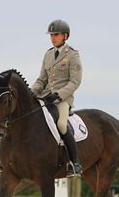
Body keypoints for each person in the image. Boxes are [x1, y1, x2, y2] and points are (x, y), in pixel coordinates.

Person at [30, 19, 83, 177]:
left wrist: (59, 95)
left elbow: (75, 81)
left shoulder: (72, 54)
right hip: (45, 96)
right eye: (51, 35)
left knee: (61, 124)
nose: (53, 38)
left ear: (65, 36)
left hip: (63, 99)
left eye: (56, 35)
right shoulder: (48, 54)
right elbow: (42, 79)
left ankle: (75, 163)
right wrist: (31, 92)